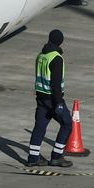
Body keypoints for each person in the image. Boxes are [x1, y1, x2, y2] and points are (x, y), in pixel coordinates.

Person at [26, 29, 74, 168]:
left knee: (39, 127)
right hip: (52, 99)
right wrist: (59, 103)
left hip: (40, 98)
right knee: (67, 124)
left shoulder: (41, 55)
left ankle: (33, 158)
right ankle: (57, 156)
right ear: (60, 42)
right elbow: (55, 84)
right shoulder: (56, 59)